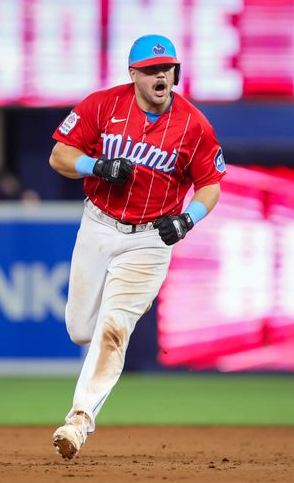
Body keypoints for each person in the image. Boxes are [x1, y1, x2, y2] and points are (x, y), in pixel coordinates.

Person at [48, 34, 226, 459]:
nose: (160, 75)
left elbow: (210, 186)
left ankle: (78, 421)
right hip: (99, 224)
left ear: (176, 73)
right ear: (134, 75)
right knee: (80, 330)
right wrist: (96, 164)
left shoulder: (194, 125)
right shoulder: (104, 105)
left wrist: (188, 219)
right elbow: (59, 155)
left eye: (166, 68)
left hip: (149, 238)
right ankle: (119, 313)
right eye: (150, 69)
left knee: (114, 328)